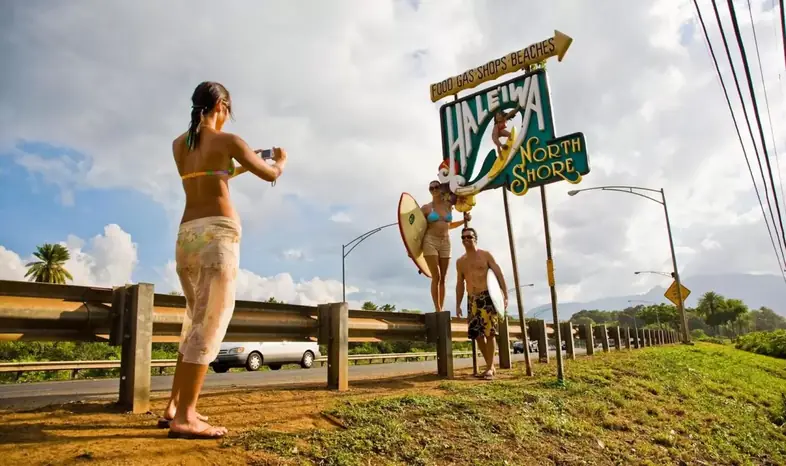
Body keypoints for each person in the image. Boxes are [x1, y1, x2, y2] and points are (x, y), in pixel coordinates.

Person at [161, 81, 287, 439]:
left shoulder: (179, 146)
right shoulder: (230, 142)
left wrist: (242, 164)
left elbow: (213, 174)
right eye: (228, 110)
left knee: (194, 321)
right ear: (221, 106)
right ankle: (185, 416)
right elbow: (271, 175)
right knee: (211, 323)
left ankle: (174, 407)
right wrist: (279, 161)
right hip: (217, 235)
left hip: (187, 237)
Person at [455, 227, 508, 380]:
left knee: (489, 333)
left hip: (487, 296)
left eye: (469, 237)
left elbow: (498, 273)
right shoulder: (460, 261)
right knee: (477, 335)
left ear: (475, 238)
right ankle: (490, 365)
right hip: (472, 299)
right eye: (463, 238)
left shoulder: (485, 255)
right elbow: (460, 284)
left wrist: (504, 294)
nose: (466, 240)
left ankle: (489, 368)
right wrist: (458, 304)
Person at [421, 180, 469, 312]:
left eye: (436, 187)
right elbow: (417, 228)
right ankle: (437, 309)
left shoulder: (448, 206)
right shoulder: (426, 208)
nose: (434, 190)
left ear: (441, 188)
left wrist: (463, 221)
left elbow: (449, 225)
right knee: (435, 276)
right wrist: (412, 249)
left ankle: (441, 308)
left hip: (445, 242)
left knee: (443, 277)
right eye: (431, 188)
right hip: (430, 240)